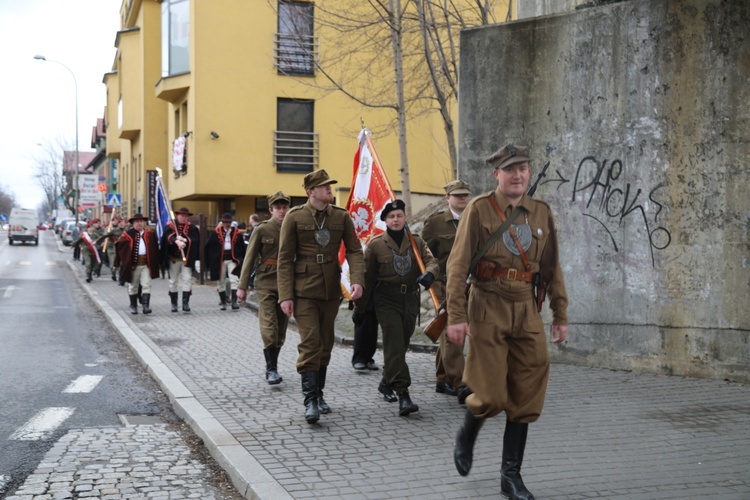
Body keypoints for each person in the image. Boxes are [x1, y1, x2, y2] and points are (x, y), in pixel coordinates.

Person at [445, 144, 568, 499]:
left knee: (526, 394)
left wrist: (560, 313)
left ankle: (510, 475)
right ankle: (468, 431)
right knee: (491, 394)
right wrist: (456, 315)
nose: (518, 175)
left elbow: (552, 268)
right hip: (488, 306)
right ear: (496, 174)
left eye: (523, 169)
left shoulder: (541, 212)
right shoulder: (479, 209)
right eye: (510, 169)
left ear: (529, 173)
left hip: (526, 310)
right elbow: (457, 266)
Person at [277, 169, 364, 424]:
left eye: (329, 185)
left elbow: (355, 250)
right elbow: (284, 260)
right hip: (303, 290)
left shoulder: (341, 216)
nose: (329, 189)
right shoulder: (294, 217)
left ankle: (319, 393)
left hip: (330, 290)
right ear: (310, 191)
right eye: (324, 186)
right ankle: (310, 401)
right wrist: (285, 296)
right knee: (311, 342)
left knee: (325, 343)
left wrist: (357, 280)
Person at [354, 199, 439, 417]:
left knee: (401, 345)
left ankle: (386, 382)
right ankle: (403, 393)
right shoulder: (375, 245)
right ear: (385, 220)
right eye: (391, 217)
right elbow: (367, 279)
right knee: (394, 341)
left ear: (405, 218)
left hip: (410, 299)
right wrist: (360, 309)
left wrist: (430, 274)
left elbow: (432, 262)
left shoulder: (416, 242)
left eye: (399, 215)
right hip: (386, 299)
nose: (396, 219)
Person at [421, 179, 473, 402]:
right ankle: (460, 383)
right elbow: (424, 254)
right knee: (452, 332)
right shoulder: (435, 223)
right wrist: (429, 279)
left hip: (470, 285)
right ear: (447, 198)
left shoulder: (476, 219)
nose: (462, 198)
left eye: (465, 194)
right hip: (443, 285)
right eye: (457, 195)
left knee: (447, 331)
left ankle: (442, 379)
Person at [237, 192, 291, 385]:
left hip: (287, 284)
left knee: (281, 328)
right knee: (269, 325)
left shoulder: (294, 228)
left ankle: (273, 363)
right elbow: (249, 258)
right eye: (278, 208)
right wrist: (242, 286)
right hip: (266, 282)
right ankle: (271, 369)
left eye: (285, 207)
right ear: (271, 210)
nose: (282, 211)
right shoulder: (262, 229)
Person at [115, 213, 160, 315]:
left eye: (141, 221)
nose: (139, 223)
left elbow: (155, 249)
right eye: (137, 222)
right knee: (133, 285)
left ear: (144, 223)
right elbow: (119, 248)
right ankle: (133, 306)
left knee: (146, 284)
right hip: (133, 265)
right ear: (133, 224)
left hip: (146, 264)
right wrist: (118, 262)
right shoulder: (127, 235)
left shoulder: (150, 234)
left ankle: (145, 306)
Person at [161, 207, 200, 313]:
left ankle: (185, 303)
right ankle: (174, 304)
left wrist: (185, 240)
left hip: (186, 259)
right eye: (182, 215)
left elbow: (195, 240)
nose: (184, 218)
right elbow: (166, 237)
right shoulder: (170, 226)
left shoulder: (192, 228)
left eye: (186, 216)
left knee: (187, 279)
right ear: (177, 216)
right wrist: (175, 240)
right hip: (174, 259)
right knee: (173, 280)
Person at [205, 212, 246, 310]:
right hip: (221, 260)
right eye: (225, 222)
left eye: (228, 222)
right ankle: (223, 302)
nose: (227, 224)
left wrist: (240, 258)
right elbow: (210, 246)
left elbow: (241, 247)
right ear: (222, 222)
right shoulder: (216, 233)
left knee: (234, 280)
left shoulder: (236, 232)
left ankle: (234, 302)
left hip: (232, 259)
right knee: (221, 281)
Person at [97, 216, 127, 282]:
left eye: (121, 222)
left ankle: (121, 278)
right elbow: (105, 235)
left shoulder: (127, 230)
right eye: (118, 221)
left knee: (122, 263)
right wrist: (98, 241)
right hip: (111, 247)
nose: (120, 223)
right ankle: (113, 273)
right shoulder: (111, 229)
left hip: (123, 249)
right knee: (113, 261)